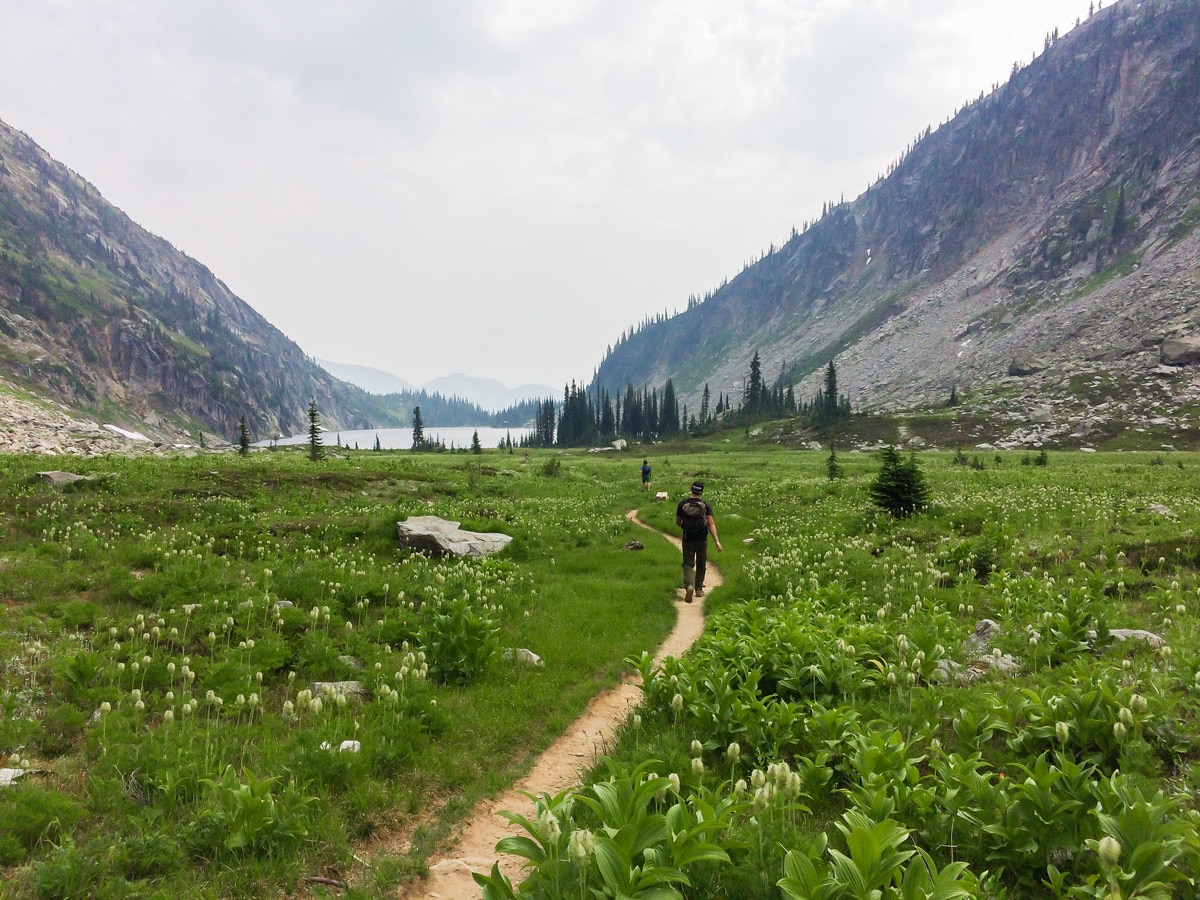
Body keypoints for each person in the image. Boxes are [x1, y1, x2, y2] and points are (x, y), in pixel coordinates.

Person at [675, 481, 722, 603]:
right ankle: (698, 588)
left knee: (688, 563)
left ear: (691, 490)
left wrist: (685, 528)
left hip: (687, 538)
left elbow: (678, 521)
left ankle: (689, 585)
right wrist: (717, 541)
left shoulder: (682, 504)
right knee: (701, 563)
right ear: (701, 492)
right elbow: (711, 523)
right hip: (702, 539)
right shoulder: (705, 505)